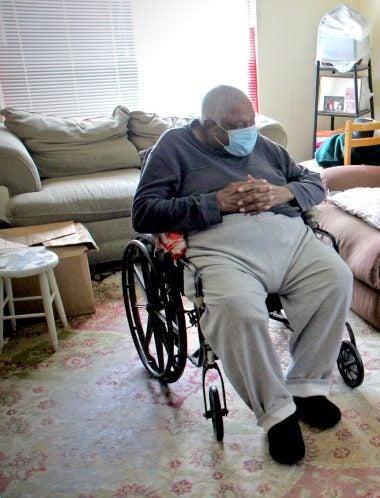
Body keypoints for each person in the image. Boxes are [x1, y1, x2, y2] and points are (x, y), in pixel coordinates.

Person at [132, 84, 353, 465]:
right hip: (219, 247)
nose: (247, 132)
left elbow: (314, 183)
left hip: (289, 239)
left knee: (335, 278)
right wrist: (215, 202)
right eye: (237, 125)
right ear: (208, 126)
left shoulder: (264, 146)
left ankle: (306, 386)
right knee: (238, 310)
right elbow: (145, 212)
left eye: (251, 122)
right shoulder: (173, 147)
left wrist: (281, 194)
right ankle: (277, 413)